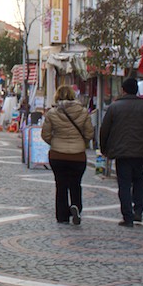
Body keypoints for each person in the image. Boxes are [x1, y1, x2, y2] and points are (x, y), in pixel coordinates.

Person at [98, 77, 143, 227]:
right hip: (141, 151)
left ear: (123, 90)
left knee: (124, 184)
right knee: (138, 180)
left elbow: (104, 130)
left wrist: (104, 149)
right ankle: (138, 211)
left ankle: (127, 216)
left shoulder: (114, 107)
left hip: (122, 152)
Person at [41, 85, 94, 225]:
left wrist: (54, 142)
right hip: (77, 156)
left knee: (61, 185)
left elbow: (45, 134)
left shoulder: (52, 113)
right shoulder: (83, 112)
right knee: (76, 184)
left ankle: (62, 216)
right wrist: (82, 143)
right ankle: (76, 205)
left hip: (58, 155)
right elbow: (89, 133)